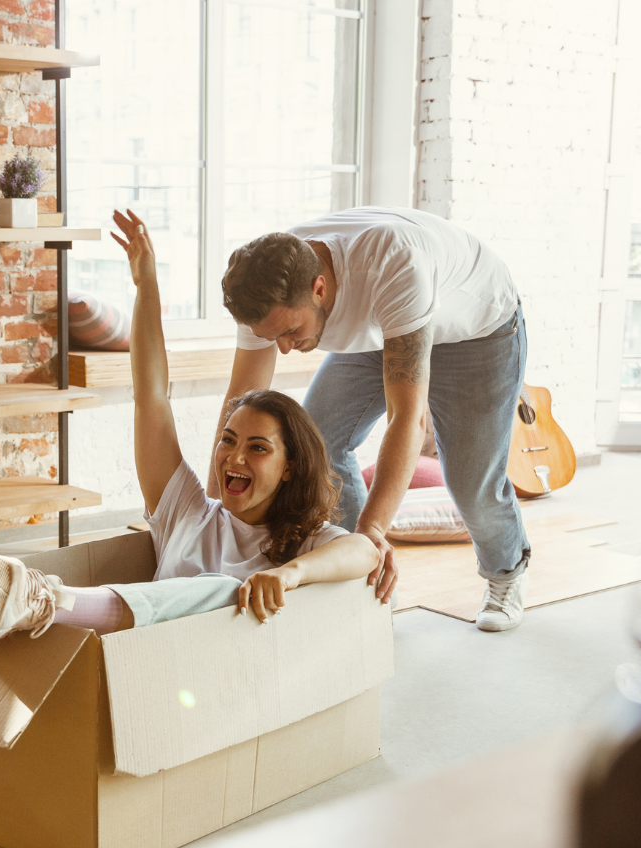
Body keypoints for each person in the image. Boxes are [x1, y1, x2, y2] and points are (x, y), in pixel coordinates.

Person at [0, 210, 379, 643]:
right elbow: (152, 396)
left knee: (225, 591)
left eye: (256, 448)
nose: (233, 458)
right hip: (129, 667)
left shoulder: (303, 543)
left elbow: (361, 553)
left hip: (201, 691)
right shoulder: (189, 512)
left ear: (291, 465)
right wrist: (147, 286)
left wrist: (288, 573)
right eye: (226, 440)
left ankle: (32, 597)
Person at [216, 207, 531, 632]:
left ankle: (505, 572)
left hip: (476, 331)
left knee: (470, 479)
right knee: (318, 442)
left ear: (320, 288)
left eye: (291, 332)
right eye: (273, 338)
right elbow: (239, 407)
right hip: (386, 325)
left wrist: (373, 530)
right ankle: (360, 577)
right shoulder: (265, 286)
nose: (285, 349)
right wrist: (215, 512)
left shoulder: (393, 263)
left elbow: (407, 418)